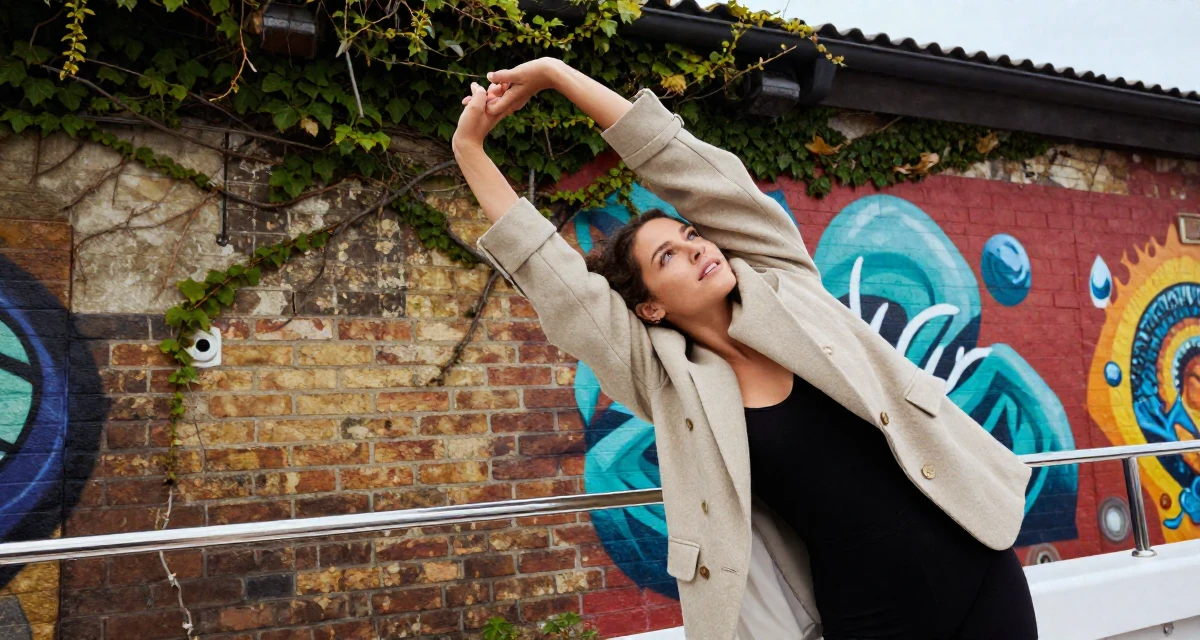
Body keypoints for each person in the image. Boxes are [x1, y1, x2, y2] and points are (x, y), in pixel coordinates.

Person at [452, 57, 1039, 640]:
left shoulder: (783, 282)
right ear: (650, 307)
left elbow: (683, 166)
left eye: (690, 236)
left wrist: (559, 74)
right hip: (869, 608)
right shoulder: (668, 380)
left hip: (974, 556)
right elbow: (558, 284)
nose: (696, 249)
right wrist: (470, 152)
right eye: (668, 259)